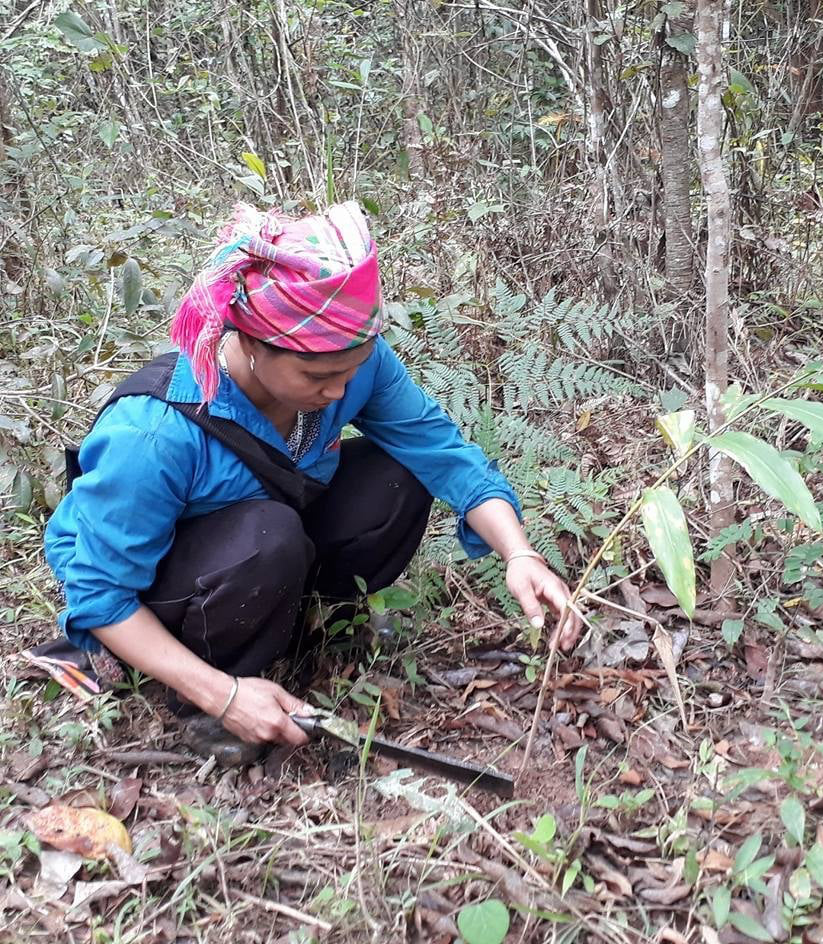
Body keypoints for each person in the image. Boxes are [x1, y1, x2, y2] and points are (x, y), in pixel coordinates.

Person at [44, 202, 580, 765]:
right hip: (164, 579)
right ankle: (206, 687)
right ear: (249, 343)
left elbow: (442, 453)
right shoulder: (154, 434)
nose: (339, 391)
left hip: (258, 547)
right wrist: (222, 694)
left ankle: (296, 628)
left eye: (351, 371)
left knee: (398, 475)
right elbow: (100, 595)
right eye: (318, 377)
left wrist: (518, 553)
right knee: (266, 534)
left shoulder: (351, 366)